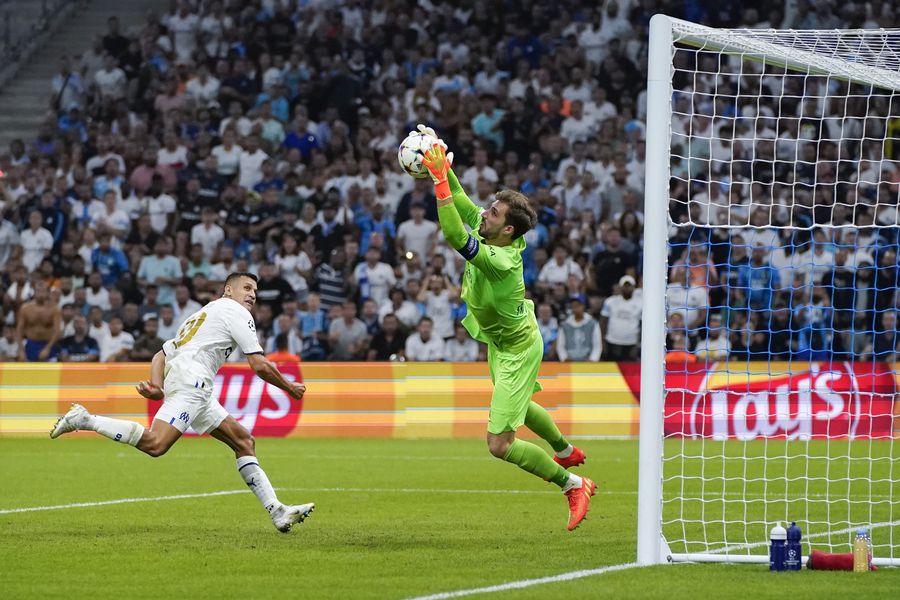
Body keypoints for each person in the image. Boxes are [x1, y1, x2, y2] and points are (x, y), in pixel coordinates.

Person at [419, 125, 595, 531]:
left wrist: (440, 183)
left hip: (517, 348)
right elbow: (463, 204)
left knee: (500, 443)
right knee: (519, 406)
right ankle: (564, 449)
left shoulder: (501, 262)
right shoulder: (496, 231)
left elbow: (451, 231)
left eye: (493, 213)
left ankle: (573, 483)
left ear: (508, 230)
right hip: (503, 340)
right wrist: (441, 168)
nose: (485, 214)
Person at [51, 272, 314, 533]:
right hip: (193, 382)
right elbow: (258, 364)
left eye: (255, 291)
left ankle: (277, 511)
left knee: (244, 441)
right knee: (156, 443)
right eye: (246, 288)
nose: (253, 295)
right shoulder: (236, 312)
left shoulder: (199, 317)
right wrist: (289, 387)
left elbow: (160, 355)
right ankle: (85, 419)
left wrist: (157, 387)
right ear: (228, 291)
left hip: (194, 384)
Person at [16, 281, 61, 361]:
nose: (40, 294)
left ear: (48, 293)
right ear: (34, 292)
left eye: (43, 291)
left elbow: (57, 331)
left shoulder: (54, 309)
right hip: (31, 343)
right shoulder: (25, 308)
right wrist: (21, 350)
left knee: (49, 372)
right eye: (38, 291)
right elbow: (19, 330)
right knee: (30, 371)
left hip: (47, 343)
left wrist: (48, 348)